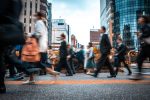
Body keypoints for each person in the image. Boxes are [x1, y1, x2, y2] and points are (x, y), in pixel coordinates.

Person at [0, 0, 23, 94]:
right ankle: (1, 85)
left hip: (3, 29)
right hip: (10, 31)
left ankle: (21, 66)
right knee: (4, 56)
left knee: (2, 56)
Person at [130, 16, 150, 80]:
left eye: (140, 18)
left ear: (143, 19)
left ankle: (139, 74)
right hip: (145, 47)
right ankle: (139, 74)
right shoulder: (143, 26)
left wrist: (140, 34)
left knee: (139, 59)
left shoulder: (145, 26)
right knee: (139, 59)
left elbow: (148, 33)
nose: (138, 19)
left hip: (147, 46)